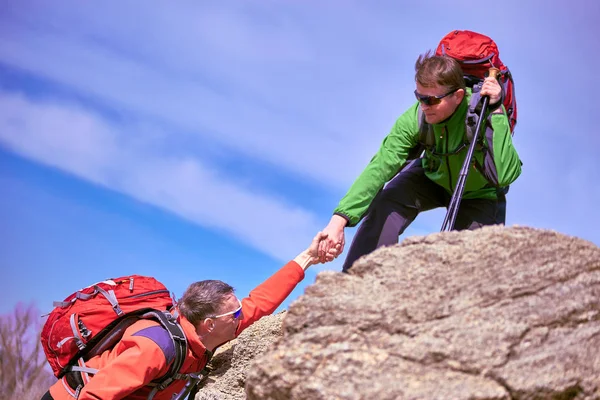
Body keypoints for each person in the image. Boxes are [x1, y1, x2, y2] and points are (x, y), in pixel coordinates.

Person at [42, 232, 339, 400]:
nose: (242, 316)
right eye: (235, 313)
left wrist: (308, 257)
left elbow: (260, 302)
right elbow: (96, 396)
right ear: (210, 324)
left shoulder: (207, 331)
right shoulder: (157, 347)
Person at [319, 52, 522, 271]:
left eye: (431, 100)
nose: (424, 106)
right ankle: (357, 283)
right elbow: (380, 166)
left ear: (457, 95)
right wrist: (338, 221)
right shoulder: (415, 118)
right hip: (431, 177)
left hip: (478, 194)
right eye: (419, 96)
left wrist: (497, 112)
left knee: (469, 267)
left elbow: (506, 175)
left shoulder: (484, 112)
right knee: (387, 202)